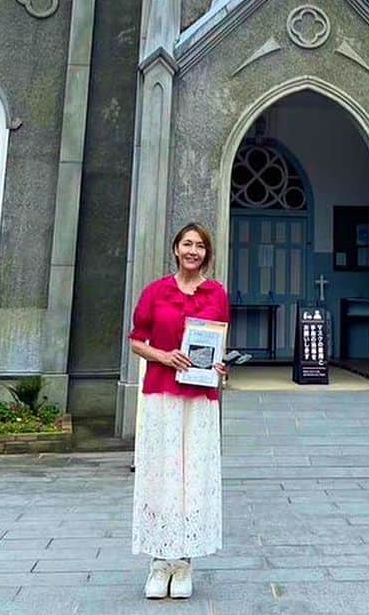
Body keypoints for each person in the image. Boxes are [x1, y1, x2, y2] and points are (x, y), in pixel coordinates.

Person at [129, 222, 230, 600]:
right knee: (160, 472)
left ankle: (184, 560)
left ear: (207, 253)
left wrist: (220, 367)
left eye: (200, 246)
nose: (193, 251)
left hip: (200, 398)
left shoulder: (216, 293)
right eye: (187, 244)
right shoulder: (157, 291)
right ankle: (159, 560)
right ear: (175, 249)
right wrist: (164, 356)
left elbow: (218, 342)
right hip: (161, 393)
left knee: (193, 475)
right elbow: (137, 340)